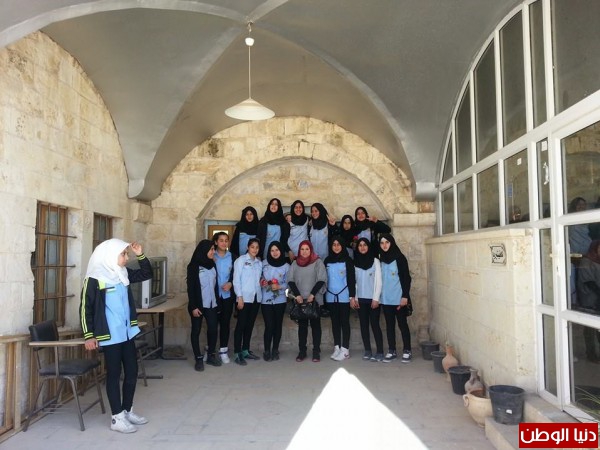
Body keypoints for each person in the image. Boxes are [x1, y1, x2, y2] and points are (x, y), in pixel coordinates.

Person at [80, 239, 151, 433]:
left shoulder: (122, 273)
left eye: (127, 254)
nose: (126, 258)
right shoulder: (94, 279)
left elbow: (146, 273)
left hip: (126, 333)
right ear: (110, 256)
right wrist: (89, 335)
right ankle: (117, 417)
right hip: (110, 335)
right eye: (123, 254)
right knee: (114, 374)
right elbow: (85, 308)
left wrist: (140, 254)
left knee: (132, 371)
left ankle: (127, 410)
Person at [287, 240, 327, 362]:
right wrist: (297, 295)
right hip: (300, 300)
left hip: (314, 299)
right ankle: (302, 352)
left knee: (316, 326)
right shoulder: (295, 263)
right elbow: (290, 280)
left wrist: (312, 294)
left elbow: (321, 279)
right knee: (302, 327)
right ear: (299, 250)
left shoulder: (318, 262)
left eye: (307, 249)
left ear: (311, 250)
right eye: (302, 249)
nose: (304, 252)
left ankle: (316, 352)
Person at [187, 239, 221, 371]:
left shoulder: (212, 265)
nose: (213, 252)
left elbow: (215, 285)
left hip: (211, 304)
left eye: (213, 249)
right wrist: (193, 307)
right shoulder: (193, 266)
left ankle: (211, 355)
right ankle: (198, 358)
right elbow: (191, 288)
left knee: (213, 329)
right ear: (204, 250)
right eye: (211, 249)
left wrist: (217, 303)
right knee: (196, 331)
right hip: (198, 305)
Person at [378, 233, 413, 363]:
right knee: (389, 325)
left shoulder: (400, 258)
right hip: (386, 299)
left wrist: (405, 296)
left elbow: (406, 278)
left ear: (391, 243)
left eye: (387, 242)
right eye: (382, 243)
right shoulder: (380, 259)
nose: (384, 245)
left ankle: (407, 350)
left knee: (402, 324)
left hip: (399, 299)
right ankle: (391, 350)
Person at [352, 237, 384, 362]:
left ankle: (380, 351)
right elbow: (354, 282)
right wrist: (355, 298)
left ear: (368, 246)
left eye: (365, 245)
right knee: (363, 326)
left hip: (373, 300)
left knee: (375, 325)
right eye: (360, 245)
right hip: (360, 299)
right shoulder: (355, 262)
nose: (362, 247)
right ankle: (367, 350)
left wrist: (376, 299)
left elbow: (379, 281)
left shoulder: (375, 261)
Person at [324, 236, 356, 361]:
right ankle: (337, 347)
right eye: (334, 244)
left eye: (338, 244)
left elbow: (351, 280)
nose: (336, 247)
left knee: (344, 322)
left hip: (344, 296)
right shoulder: (327, 260)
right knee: (335, 322)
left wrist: (352, 296)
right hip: (330, 296)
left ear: (342, 246)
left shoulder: (348, 260)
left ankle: (345, 349)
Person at [232, 238, 263, 365]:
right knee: (241, 325)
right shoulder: (240, 261)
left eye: (257, 247)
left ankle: (245, 350)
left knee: (249, 325)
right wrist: (239, 297)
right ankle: (237, 353)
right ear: (247, 247)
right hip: (244, 298)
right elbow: (236, 280)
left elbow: (258, 280)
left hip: (256, 298)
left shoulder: (259, 263)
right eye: (252, 247)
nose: (255, 249)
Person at [260, 241, 290, 361]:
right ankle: (267, 350)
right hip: (266, 300)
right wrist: (262, 282)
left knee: (278, 325)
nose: (275, 253)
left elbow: (289, 284)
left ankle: (275, 350)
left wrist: (280, 287)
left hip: (280, 300)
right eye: (272, 250)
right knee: (269, 325)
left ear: (281, 251)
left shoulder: (286, 266)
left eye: (277, 250)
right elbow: (259, 277)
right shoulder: (264, 263)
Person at [212, 232, 236, 364]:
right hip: (213, 296)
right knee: (212, 324)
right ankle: (211, 351)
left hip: (227, 296)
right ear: (216, 242)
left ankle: (223, 351)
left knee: (225, 324)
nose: (224, 243)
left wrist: (231, 283)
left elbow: (236, 275)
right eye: (221, 240)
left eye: (226, 240)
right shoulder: (211, 255)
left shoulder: (232, 257)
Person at [576, 240, 600, 362]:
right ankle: (591, 354)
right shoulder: (587, 261)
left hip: (598, 299)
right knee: (590, 327)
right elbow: (589, 282)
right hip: (589, 298)